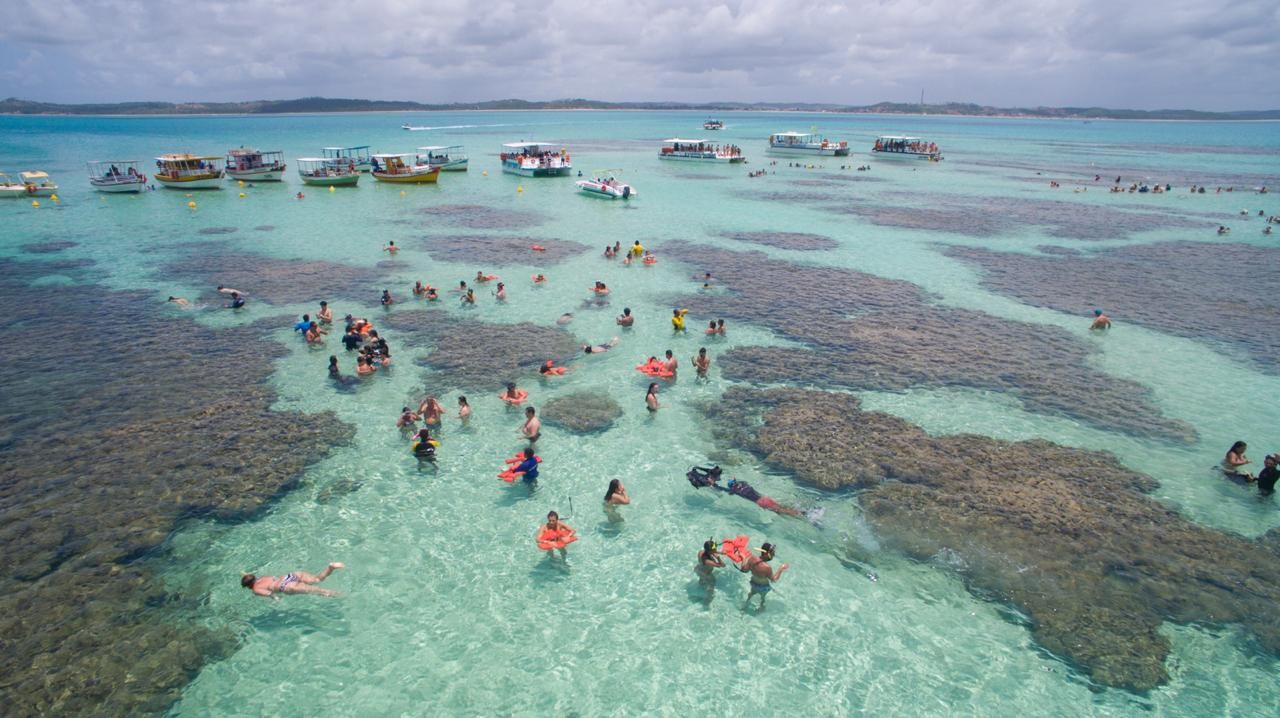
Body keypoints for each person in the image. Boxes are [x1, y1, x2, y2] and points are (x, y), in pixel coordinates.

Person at [241, 562, 344, 599]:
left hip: (285, 586)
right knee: (317, 579)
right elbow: (251, 578)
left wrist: (276, 600)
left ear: (248, 585)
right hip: (289, 576)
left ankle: (343, 596)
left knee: (319, 591)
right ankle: (331, 567)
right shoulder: (262, 578)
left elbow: (269, 594)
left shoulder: (256, 588)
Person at [737, 544, 789, 609]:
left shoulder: (752, 558)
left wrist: (744, 558)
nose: (774, 555)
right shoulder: (767, 568)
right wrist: (781, 569)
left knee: (751, 594)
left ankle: (744, 607)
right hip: (763, 587)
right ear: (766, 553)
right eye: (773, 553)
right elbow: (774, 580)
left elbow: (744, 570)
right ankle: (761, 609)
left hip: (753, 583)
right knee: (762, 599)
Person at [724, 477, 804, 517]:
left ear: (732, 487)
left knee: (782, 511)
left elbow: (729, 492)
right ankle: (799, 512)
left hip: (762, 502)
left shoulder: (739, 492)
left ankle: (799, 514)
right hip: (765, 498)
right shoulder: (745, 485)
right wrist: (735, 480)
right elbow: (742, 482)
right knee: (781, 508)